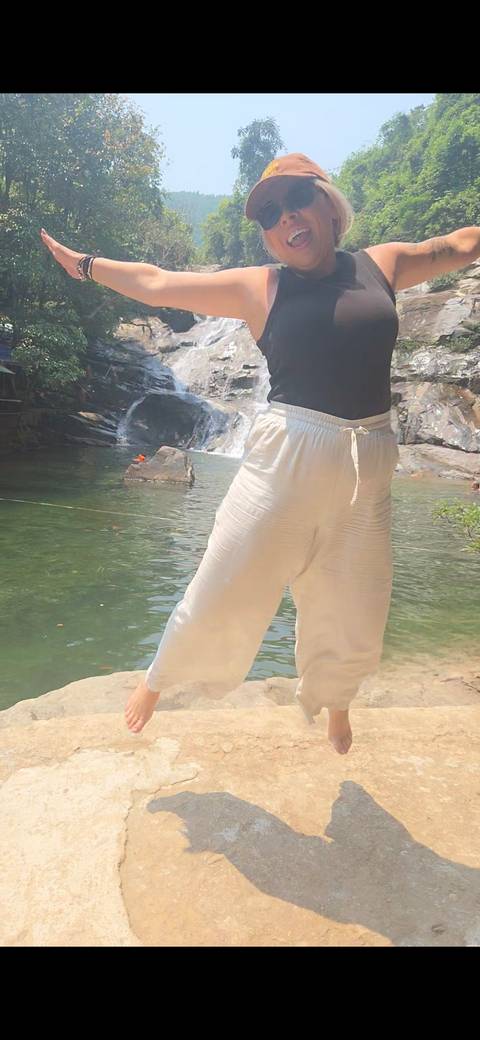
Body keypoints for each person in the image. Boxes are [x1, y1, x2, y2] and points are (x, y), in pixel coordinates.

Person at [40, 153, 480, 753]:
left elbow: (456, 244)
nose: (285, 219)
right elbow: (158, 282)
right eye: (269, 214)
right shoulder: (261, 286)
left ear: (328, 202)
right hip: (288, 456)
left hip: (368, 461)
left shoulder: (381, 265)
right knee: (227, 578)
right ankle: (159, 679)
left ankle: (337, 704)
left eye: (296, 199)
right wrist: (88, 265)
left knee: (356, 599)